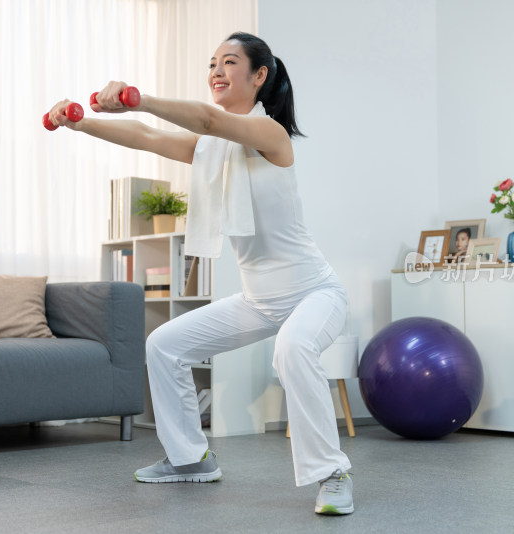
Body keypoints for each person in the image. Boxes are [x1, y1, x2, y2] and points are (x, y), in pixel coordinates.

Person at [48, 31, 353, 516]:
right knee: (164, 344)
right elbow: (148, 138)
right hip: (259, 299)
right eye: (211, 62)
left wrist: (138, 98)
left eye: (229, 62)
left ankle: (332, 473)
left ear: (259, 76)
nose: (216, 71)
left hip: (314, 292)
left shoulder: (271, 135)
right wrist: (82, 123)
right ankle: (191, 459)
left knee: (293, 348)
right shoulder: (211, 148)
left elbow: (209, 119)